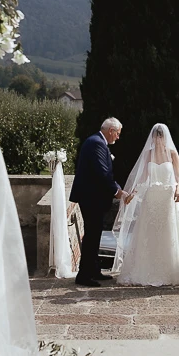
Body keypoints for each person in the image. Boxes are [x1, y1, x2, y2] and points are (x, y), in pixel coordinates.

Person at [111, 124, 179, 286]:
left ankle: (171, 269)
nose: (157, 139)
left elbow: (178, 177)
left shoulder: (172, 153)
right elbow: (142, 177)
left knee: (169, 232)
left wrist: (177, 191)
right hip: (152, 197)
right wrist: (133, 193)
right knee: (149, 233)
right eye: (155, 136)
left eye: (160, 136)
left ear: (165, 137)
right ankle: (147, 270)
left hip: (167, 197)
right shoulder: (148, 154)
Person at [68, 118, 131, 287]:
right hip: (91, 197)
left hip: (92, 197)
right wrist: (118, 192)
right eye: (117, 134)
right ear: (111, 130)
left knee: (95, 235)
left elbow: (105, 174)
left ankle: (94, 270)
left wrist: (118, 189)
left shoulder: (96, 141)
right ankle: (84, 275)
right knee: (91, 236)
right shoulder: (97, 144)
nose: (117, 138)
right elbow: (102, 174)